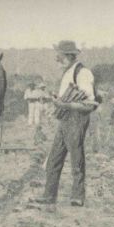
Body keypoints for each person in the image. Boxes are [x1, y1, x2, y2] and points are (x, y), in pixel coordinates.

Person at [32, 40, 99, 207]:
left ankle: (77, 196)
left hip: (76, 119)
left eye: (60, 56)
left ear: (69, 56)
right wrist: (57, 99)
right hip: (65, 119)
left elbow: (90, 104)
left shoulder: (83, 73)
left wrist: (65, 105)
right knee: (54, 158)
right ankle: (49, 195)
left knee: (76, 158)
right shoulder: (68, 72)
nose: (57, 59)